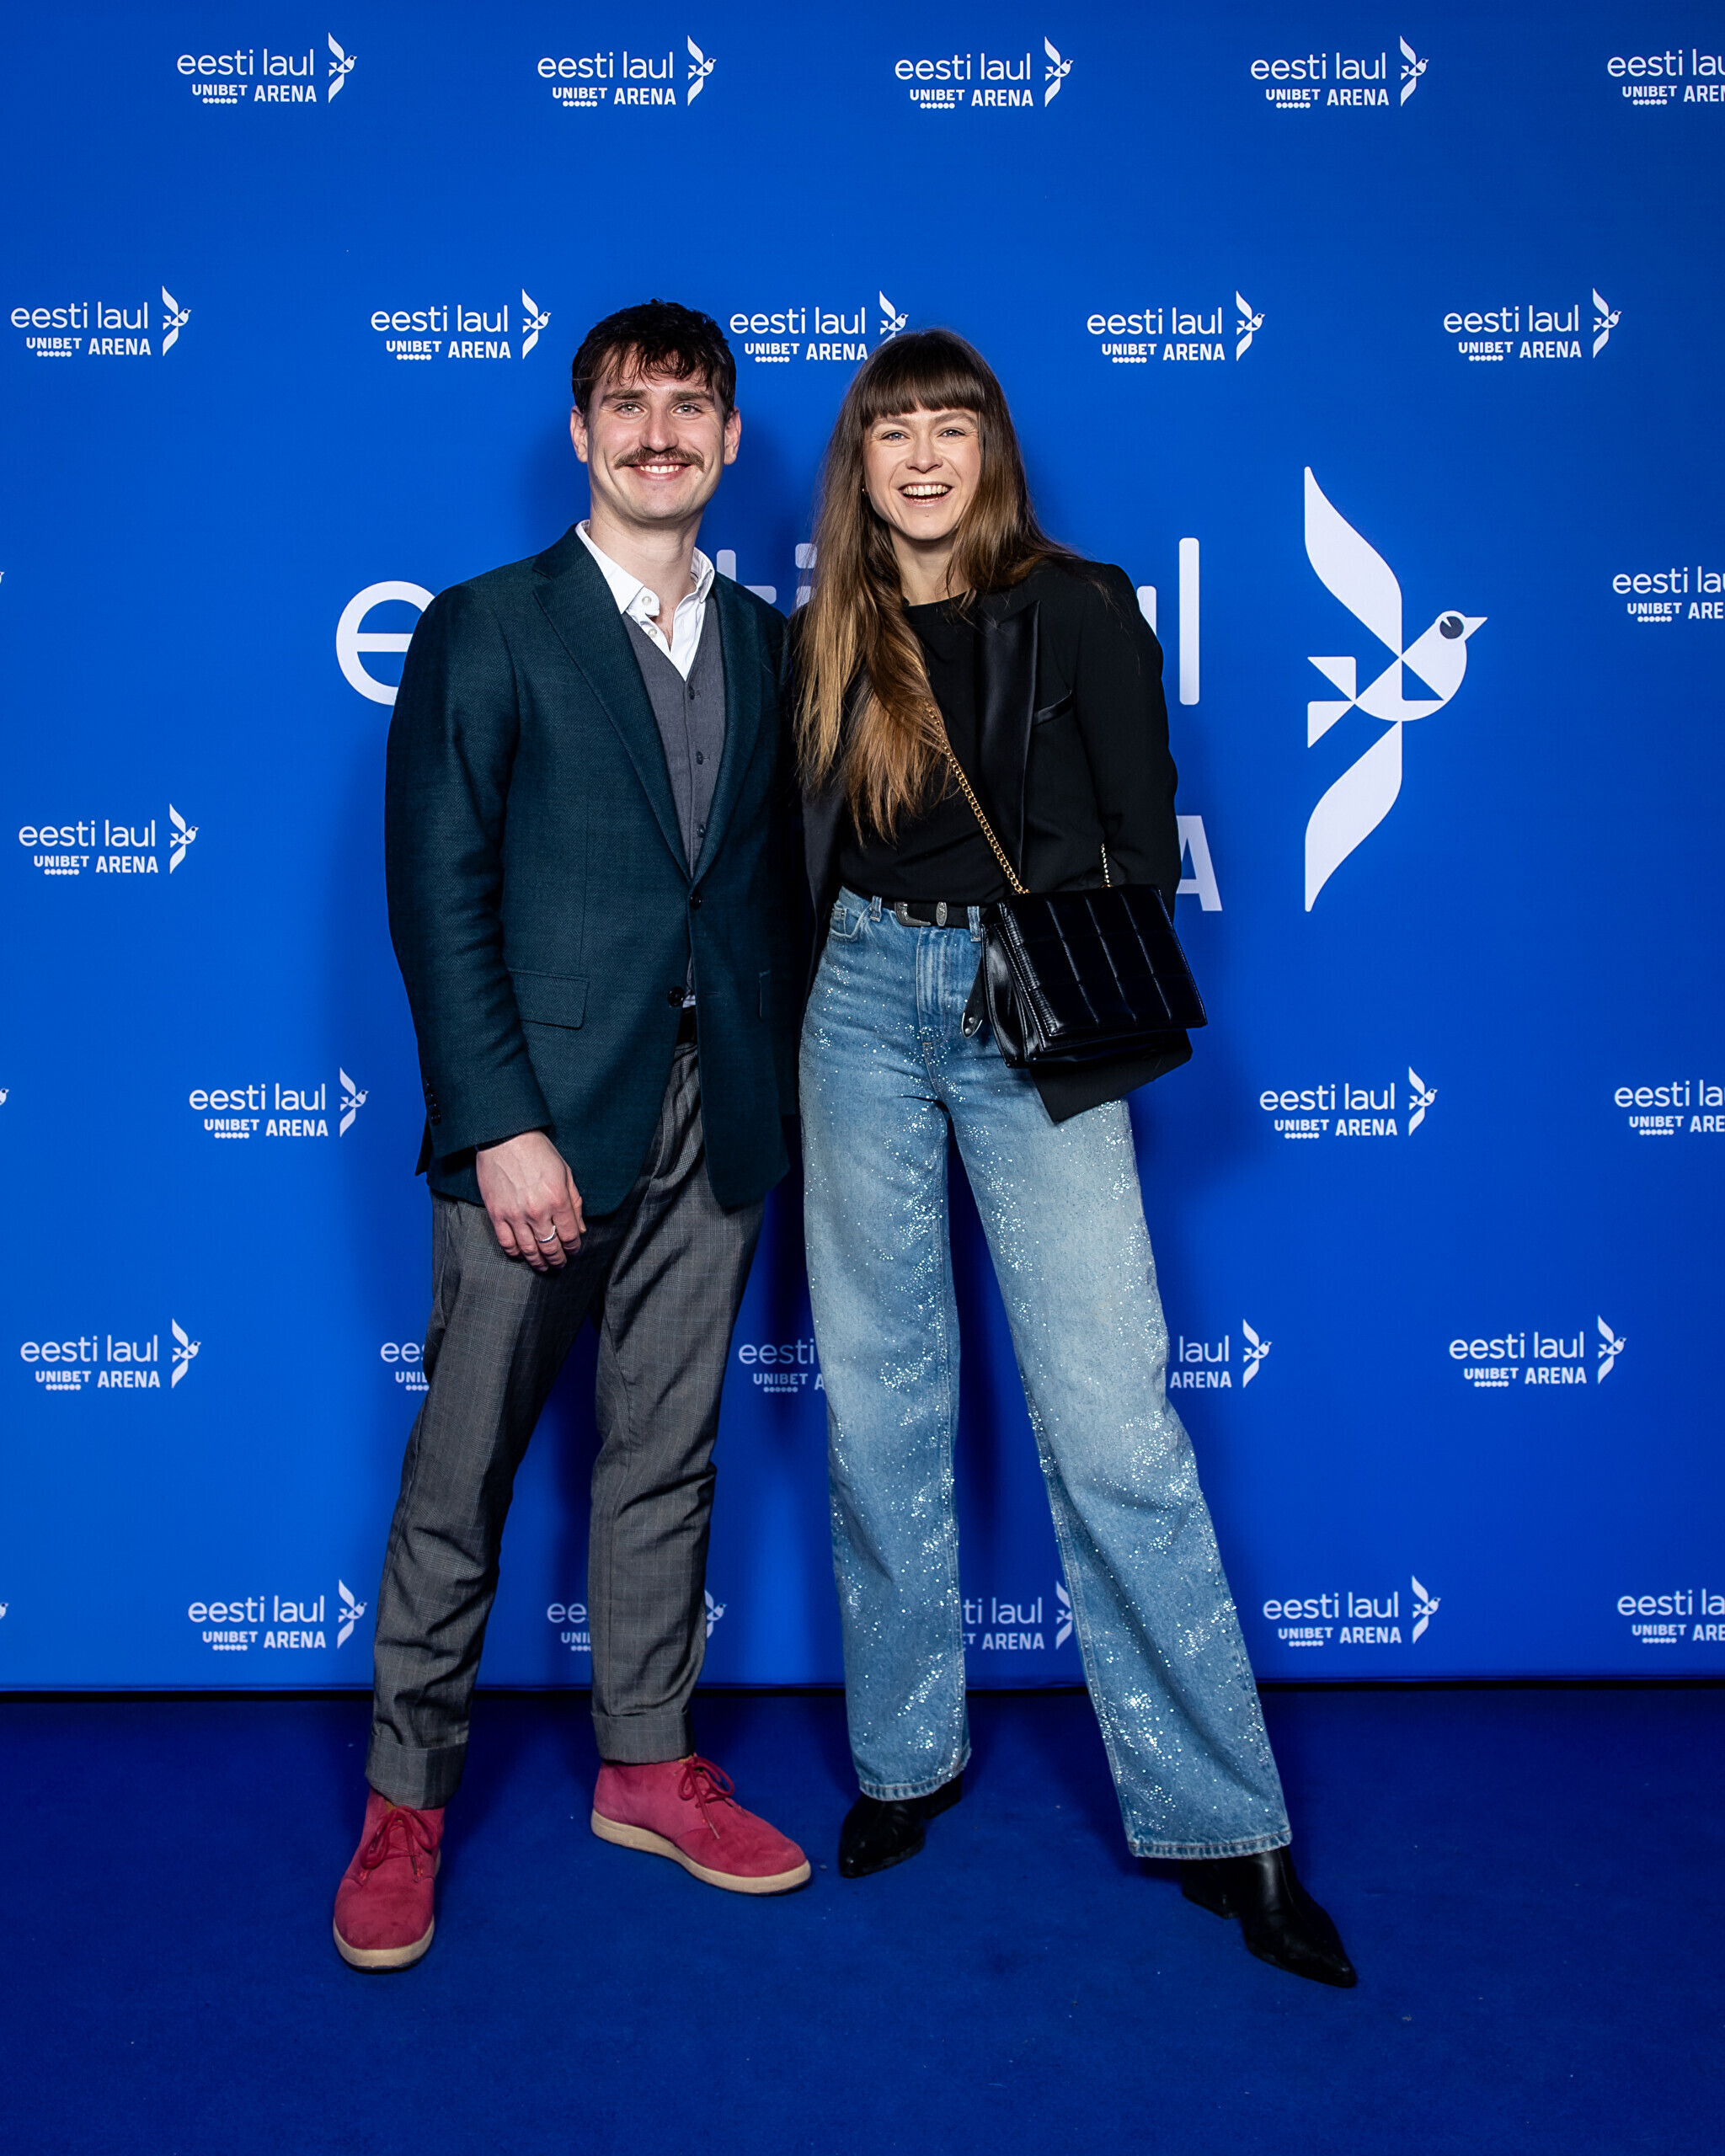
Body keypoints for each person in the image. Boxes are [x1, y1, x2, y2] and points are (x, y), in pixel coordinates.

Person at [793, 329, 1355, 1987]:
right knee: (878, 1400)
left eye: (948, 425)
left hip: (1025, 1001)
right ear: (859, 459)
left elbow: (1142, 830)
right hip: (853, 1002)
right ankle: (904, 1756)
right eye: (892, 429)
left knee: (1114, 1421)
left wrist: (1030, 958)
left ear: (991, 449)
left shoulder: (1085, 602)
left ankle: (1225, 1818)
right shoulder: (830, 628)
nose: (920, 455)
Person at [334, 300, 808, 1972]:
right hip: (534, 1127)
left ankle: (647, 1762)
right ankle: (404, 1802)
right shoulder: (488, 624)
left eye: (689, 405)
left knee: (666, 1451)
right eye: (627, 404)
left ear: (730, 439)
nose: (658, 431)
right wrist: (500, 1127)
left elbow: (765, 890)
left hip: (714, 1116)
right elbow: (436, 892)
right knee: (462, 1466)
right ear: (581, 433)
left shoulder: (768, 644)